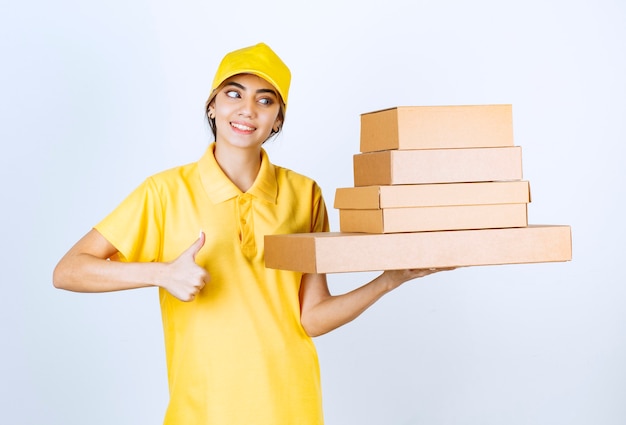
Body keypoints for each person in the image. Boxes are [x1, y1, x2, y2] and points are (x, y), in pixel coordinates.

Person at [53, 42, 450, 425]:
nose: (247, 110)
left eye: (265, 100)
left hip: (291, 404)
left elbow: (310, 318)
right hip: (204, 408)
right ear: (212, 106)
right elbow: (69, 270)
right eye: (233, 93)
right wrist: (160, 273)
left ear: (278, 118)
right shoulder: (164, 192)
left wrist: (390, 279)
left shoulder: (303, 193)